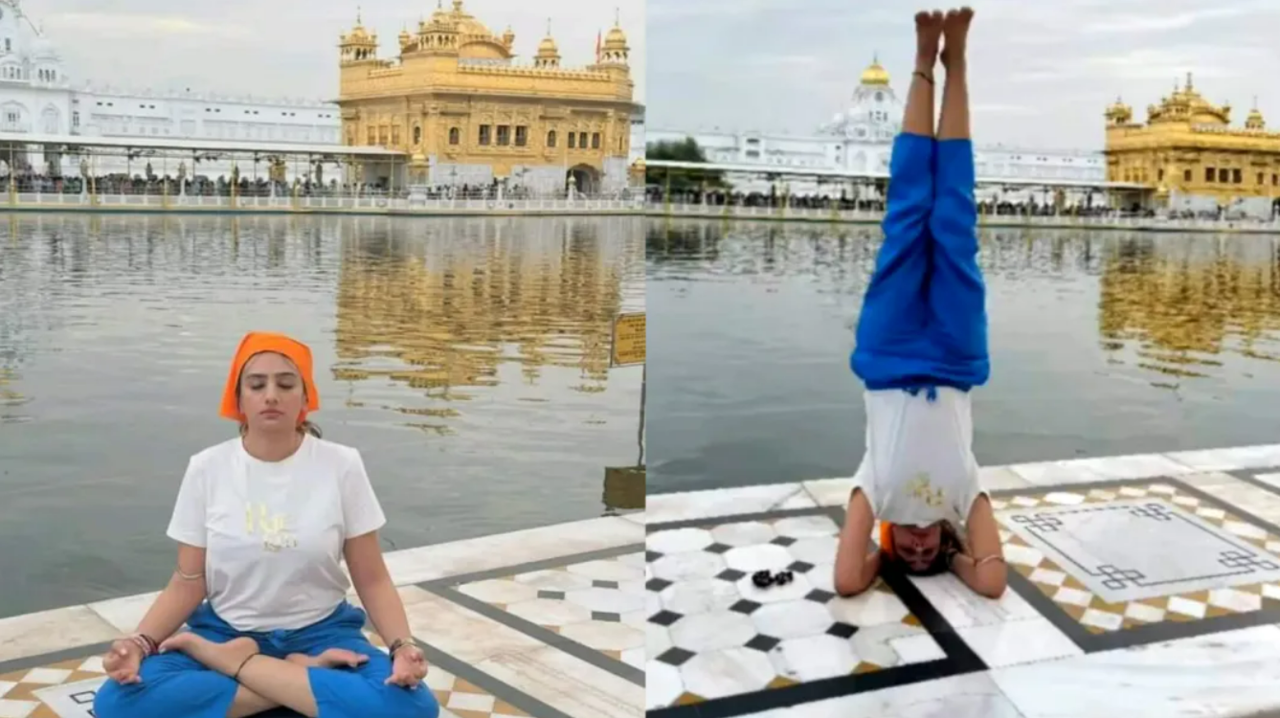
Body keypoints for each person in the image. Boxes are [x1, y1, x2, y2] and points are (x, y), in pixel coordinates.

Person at [94, 331, 439, 718]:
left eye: (286, 383)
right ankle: (298, 682)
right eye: (256, 385)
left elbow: (372, 578)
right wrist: (140, 643)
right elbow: (188, 581)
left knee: (412, 708)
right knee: (118, 702)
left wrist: (401, 646)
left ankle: (239, 667)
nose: (271, 395)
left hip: (321, 632)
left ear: (306, 398)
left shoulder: (341, 465)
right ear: (238, 398)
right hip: (224, 632)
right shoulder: (208, 468)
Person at [833, 8, 1006, 600]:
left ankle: (920, 63)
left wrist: (881, 552)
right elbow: (991, 581)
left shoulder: (873, 491)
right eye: (926, 551)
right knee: (953, 217)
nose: (918, 547)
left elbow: (846, 580)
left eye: (911, 554)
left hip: (889, 354)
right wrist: (957, 559)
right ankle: (955, 64)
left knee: (907, 216)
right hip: (956, 358)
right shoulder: (964, 496)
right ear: (943, 540)